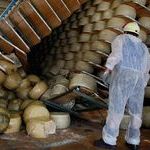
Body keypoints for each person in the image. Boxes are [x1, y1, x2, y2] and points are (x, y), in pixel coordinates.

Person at [94, 22, 150, 150]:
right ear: (136, 33)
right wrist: (143, 82)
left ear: (125, 31)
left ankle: (109, 140)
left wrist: (107, 69)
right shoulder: (143, 47)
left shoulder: (121, 39)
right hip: (139, 80)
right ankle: (133, 141)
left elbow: (116, 55)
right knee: (136, 112)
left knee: (116, 109)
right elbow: (147, 69)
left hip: (123, 77)